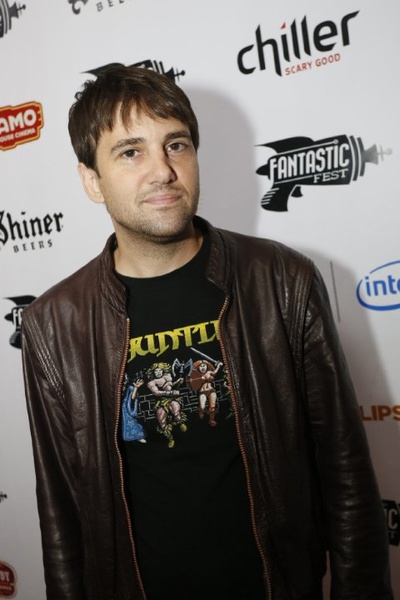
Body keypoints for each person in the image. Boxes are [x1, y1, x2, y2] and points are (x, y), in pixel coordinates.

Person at [21, 66, 393, 600]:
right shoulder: (54, 324)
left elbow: (347, 475)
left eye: (176, 145)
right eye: (131, 152)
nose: (163, 171)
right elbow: (61, 517)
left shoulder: (282, 280)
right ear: (92, 181)